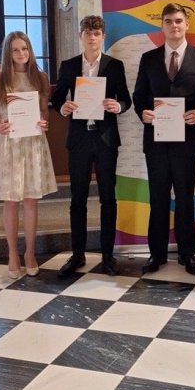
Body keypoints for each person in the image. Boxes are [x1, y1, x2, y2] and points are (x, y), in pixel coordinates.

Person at [132, 2, 195, 275]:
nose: (174, 26)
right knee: (157, 198)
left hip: (186, 141)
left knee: (184, 199)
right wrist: (142, 112)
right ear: (162, 25)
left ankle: (187, 254)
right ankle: (155, 255)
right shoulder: (148, 58)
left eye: (178, 21)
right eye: (168, 21)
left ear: (187, 24)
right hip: (155, 141)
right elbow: (138, 97)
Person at [51, 15, 131, 277]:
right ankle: (78, 255)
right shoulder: (69, 65)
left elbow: (126, 100)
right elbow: (56, 99)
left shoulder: (114, 65)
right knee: (78, 200)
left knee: (108, 198)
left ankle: (108, 256)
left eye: (96, 33)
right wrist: (63, 108)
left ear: (102, 37)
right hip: (79, 140)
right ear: (80, 36)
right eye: (87, 32)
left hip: (105, 139)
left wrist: (116, 106)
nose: (92, 37)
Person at [0, 31, 57, 279]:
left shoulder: (40, 77)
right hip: (8, 142)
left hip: (32, 142)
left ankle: (29, 252)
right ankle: (13, 253)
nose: (21, 54)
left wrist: (44, 122)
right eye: (15, 50)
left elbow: (45, 111)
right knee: (11, 201)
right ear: (8, 52)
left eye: (24, 49)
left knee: (31, 200)